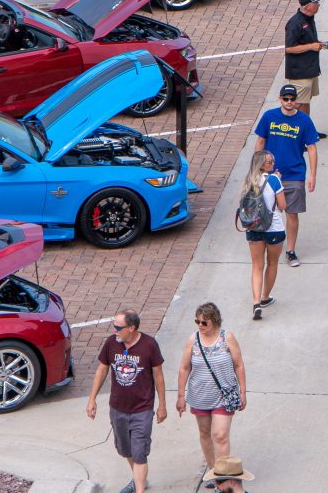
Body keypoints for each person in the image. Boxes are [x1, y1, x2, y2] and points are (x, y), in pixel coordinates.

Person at [85, 311, 167, 493]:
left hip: (142, 409)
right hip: (117, 408)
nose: (114, 330)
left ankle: (139, 489)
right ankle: (139, 479)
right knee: (126, 450)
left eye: (118, 327)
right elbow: (102, 370)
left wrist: (162, 405)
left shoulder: (149, 345)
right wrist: (92, 399)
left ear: (131, 328)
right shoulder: (111, 343)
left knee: (139, 453)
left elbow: (158, 376)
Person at [251, 84, 320, 267]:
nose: (289, 102)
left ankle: (290, 250)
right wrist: (255, 170)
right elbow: (260, 142)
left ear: (296, 100)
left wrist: (313, 175)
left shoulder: (304, 121)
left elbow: (312, 148)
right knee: (265, 211)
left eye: (292, 99)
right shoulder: (269, 117)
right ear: (280, 99)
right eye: (285, 99)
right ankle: (266, 243)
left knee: (292, 214)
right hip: (269, 175)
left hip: (294, 174)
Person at [176, 303, 246, 476]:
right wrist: (180, 396)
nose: (200, 325)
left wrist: (243, 392)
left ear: (214, 321)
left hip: (224, 395)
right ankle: (213, 471)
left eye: (204, 322)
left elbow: (239, 365)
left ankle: (223, 476)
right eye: (197, 321)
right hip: (200, 396)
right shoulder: (193, 340)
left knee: (220, 435)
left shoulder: (227, 338)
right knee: (205, 433)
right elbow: (184, 368)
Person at [238, 151, 288, 320]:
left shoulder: (248, 180)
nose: (272, 163)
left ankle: (256, 302)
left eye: (272, 160)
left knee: (257, 266)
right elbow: (282, 205)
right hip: (273, 228)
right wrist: (277, 179)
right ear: (261, 164)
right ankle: (265, 297)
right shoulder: (274, 180)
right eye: (268, 161)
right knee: (272, 264)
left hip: (254, 227)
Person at [282, 0, 328, 122]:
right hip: (300, 72)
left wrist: (321, 44)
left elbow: (308, 40)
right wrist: (311, 46)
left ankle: (307, 130)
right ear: (308, 6)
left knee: (306, 101)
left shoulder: (309, 19)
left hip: (310, 69)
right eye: (316, 2)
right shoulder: (295, 23)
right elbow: (289, 48)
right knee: (296, 103)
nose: (319, 5)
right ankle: (289, 130)